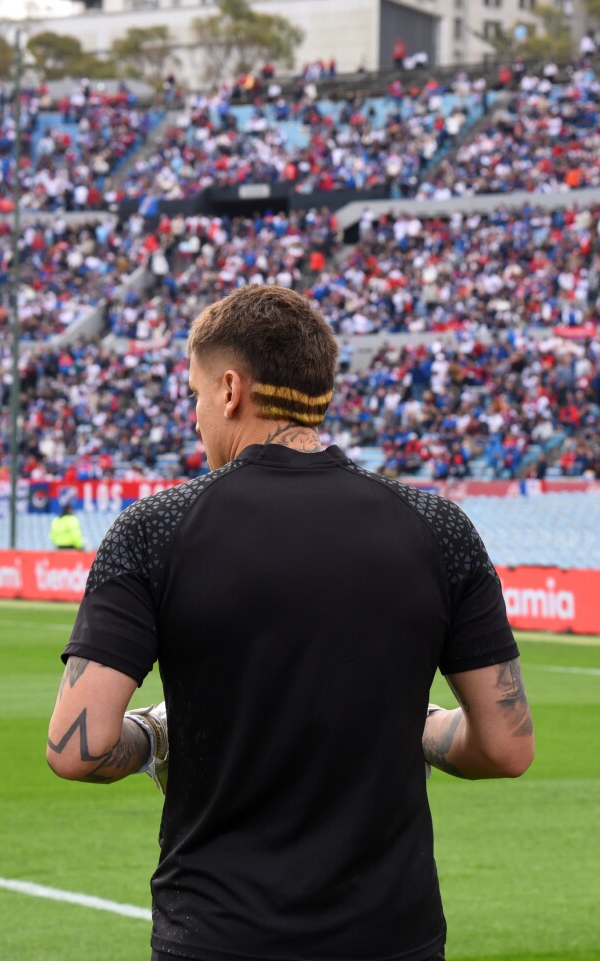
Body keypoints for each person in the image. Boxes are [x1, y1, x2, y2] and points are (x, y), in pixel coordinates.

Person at [46, 285, 534, 961]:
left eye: (194, 395)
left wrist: (155, 736)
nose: (193, 418)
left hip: (219, 933)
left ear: (230, 389)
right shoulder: (437, 527)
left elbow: (80, 747)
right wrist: (417, 723)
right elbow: (506, 747)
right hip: (390, 935)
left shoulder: (154, 530)